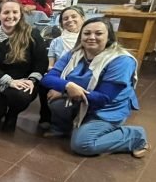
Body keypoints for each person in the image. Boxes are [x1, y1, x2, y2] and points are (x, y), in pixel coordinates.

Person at [40, 18, 149, 157]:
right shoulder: (75, 53)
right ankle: (64, 129)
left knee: (82, 145)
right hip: (82, 101)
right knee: (55, 102)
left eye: (98, 33)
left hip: (106, 109)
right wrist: (67, 85)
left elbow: (102, 98)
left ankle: (135, 136)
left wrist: (64, 92)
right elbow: (48, 78)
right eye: (87, 33)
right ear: (81, 36)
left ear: (109, 36)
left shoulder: (121, 61)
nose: (92, 37)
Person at [0, 0, 48, 131]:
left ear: (20, 14)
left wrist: (32, 80)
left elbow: (41, 61)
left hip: (23, 82)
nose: (10, 16)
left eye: (14, 12)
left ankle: (12, 114)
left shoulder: (32, 34)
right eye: (6, 12)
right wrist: (9, 81)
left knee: (21, 97)